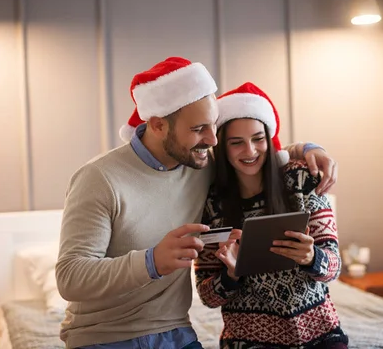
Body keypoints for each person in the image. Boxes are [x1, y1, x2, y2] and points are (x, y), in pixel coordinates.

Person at [56, 57, 338, 349]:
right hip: (104, 336)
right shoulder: (99, 178)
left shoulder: (200, 163)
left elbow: (253, 153)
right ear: (157, 125)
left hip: (175, 331)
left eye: (213, 126)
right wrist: (151, 261)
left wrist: (307, 149)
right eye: (199, 129)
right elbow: (70, 277)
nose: (213, 140)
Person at [195, 82, 347, 348]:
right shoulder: (211, 204)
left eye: (258, 139)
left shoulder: (301, 180)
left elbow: (333, 267)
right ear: (222, 148)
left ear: (269, 138)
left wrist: (313, 257)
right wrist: (231, 275)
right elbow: (208, 297)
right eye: (236, 143)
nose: (250, 151)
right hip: (248, 341)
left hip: (319, 335)